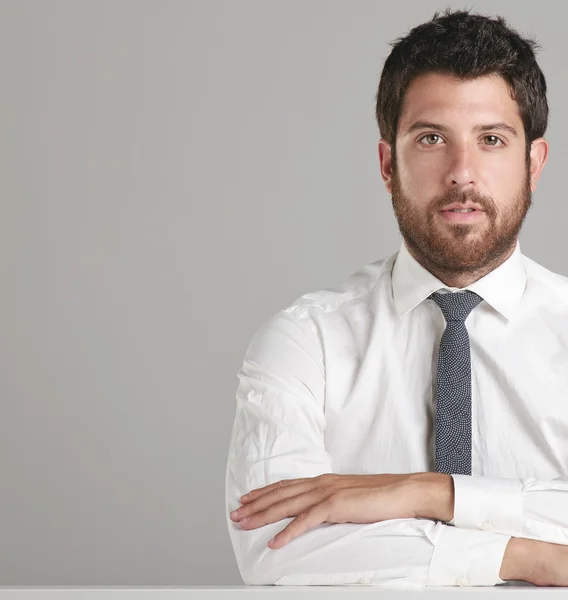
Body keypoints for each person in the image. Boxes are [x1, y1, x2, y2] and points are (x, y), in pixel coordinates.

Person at [225, 7, 568, 588]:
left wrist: (431, 492)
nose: (463, 172)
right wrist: (527, 557)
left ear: (533, 163)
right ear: (389, 164)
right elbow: (275, 545)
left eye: (491, 139)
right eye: (432, 138)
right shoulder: (306, 341)